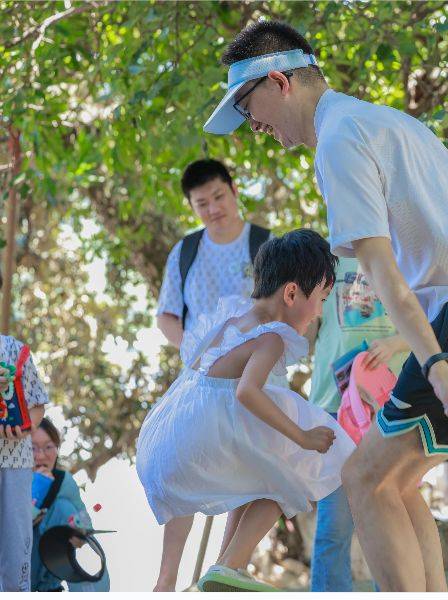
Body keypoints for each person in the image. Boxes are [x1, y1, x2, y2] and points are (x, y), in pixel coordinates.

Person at [203, 22, 448, 591]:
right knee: (395, 483)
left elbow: (385, 277)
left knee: (363, 478)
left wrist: (438, 369)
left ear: (279, 82)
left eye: (250, 109)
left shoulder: (338, 140)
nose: (254, 127)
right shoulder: (384, 121)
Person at [136, 229, 356, 592]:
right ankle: (230, 565)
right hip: (205, 437)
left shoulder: (233, 319)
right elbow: (247, 392)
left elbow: (200, 373)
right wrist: (302, 437)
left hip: (172, 438)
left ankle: (207, 573)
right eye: (320, 299)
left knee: (264, 468)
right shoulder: (271, 338)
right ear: (291, 293)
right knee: (290, 479)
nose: (319, 313)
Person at [153, 157, 273, 592]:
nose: (213, 208)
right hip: (199, 380)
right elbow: (166, 316)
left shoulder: (265, 245)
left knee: (253, 468)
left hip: (255, 377)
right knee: (181, 465)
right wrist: (194, 349)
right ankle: (166, 580)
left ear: (234, 191)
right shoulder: (185, 251)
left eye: (218, 197)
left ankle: (224, 569)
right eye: (201, 203)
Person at [308, 257, 409, 591]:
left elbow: (428, 324)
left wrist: (395, 343)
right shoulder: (323, 259)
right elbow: (307, 328)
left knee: (389, 519)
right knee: (333, 526)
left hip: (388, 402)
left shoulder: (401, 254)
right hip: (333, 405)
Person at [30, 418, 110, 591]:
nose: (41, 455)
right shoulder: (9, 479)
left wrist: (78, 532)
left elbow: (83, 519)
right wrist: (37, 490)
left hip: (49, 568)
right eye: (32, 448)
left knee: (63, 507)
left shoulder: (63, 481)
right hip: (13, 570)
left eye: (48, 447)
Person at [0, 334, 48, 592]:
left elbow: (37, 403)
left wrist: (24, 426)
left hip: (14, 462)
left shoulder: (14, 350)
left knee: (16, 546)